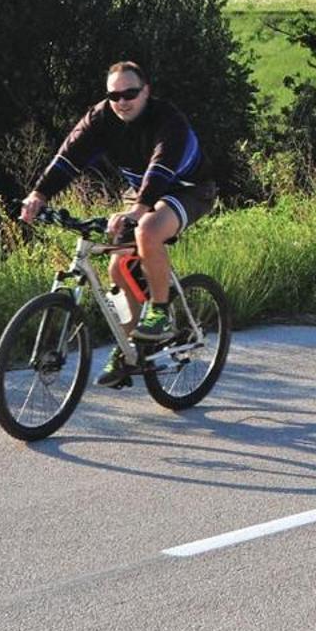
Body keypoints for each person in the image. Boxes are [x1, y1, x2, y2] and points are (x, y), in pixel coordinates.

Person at [20, 61, 217, 387]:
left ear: (146, 92)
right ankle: (131, 351)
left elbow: (162, 167)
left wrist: (139, 209)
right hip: (141, 191)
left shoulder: (168, 120)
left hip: (188, 188)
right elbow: (69, 157)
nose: (122, 101)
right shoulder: (101, 118)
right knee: (117, 267)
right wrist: (39, 194)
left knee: (148, 231)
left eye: (130, 93)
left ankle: (159, 309)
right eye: (114, 94)